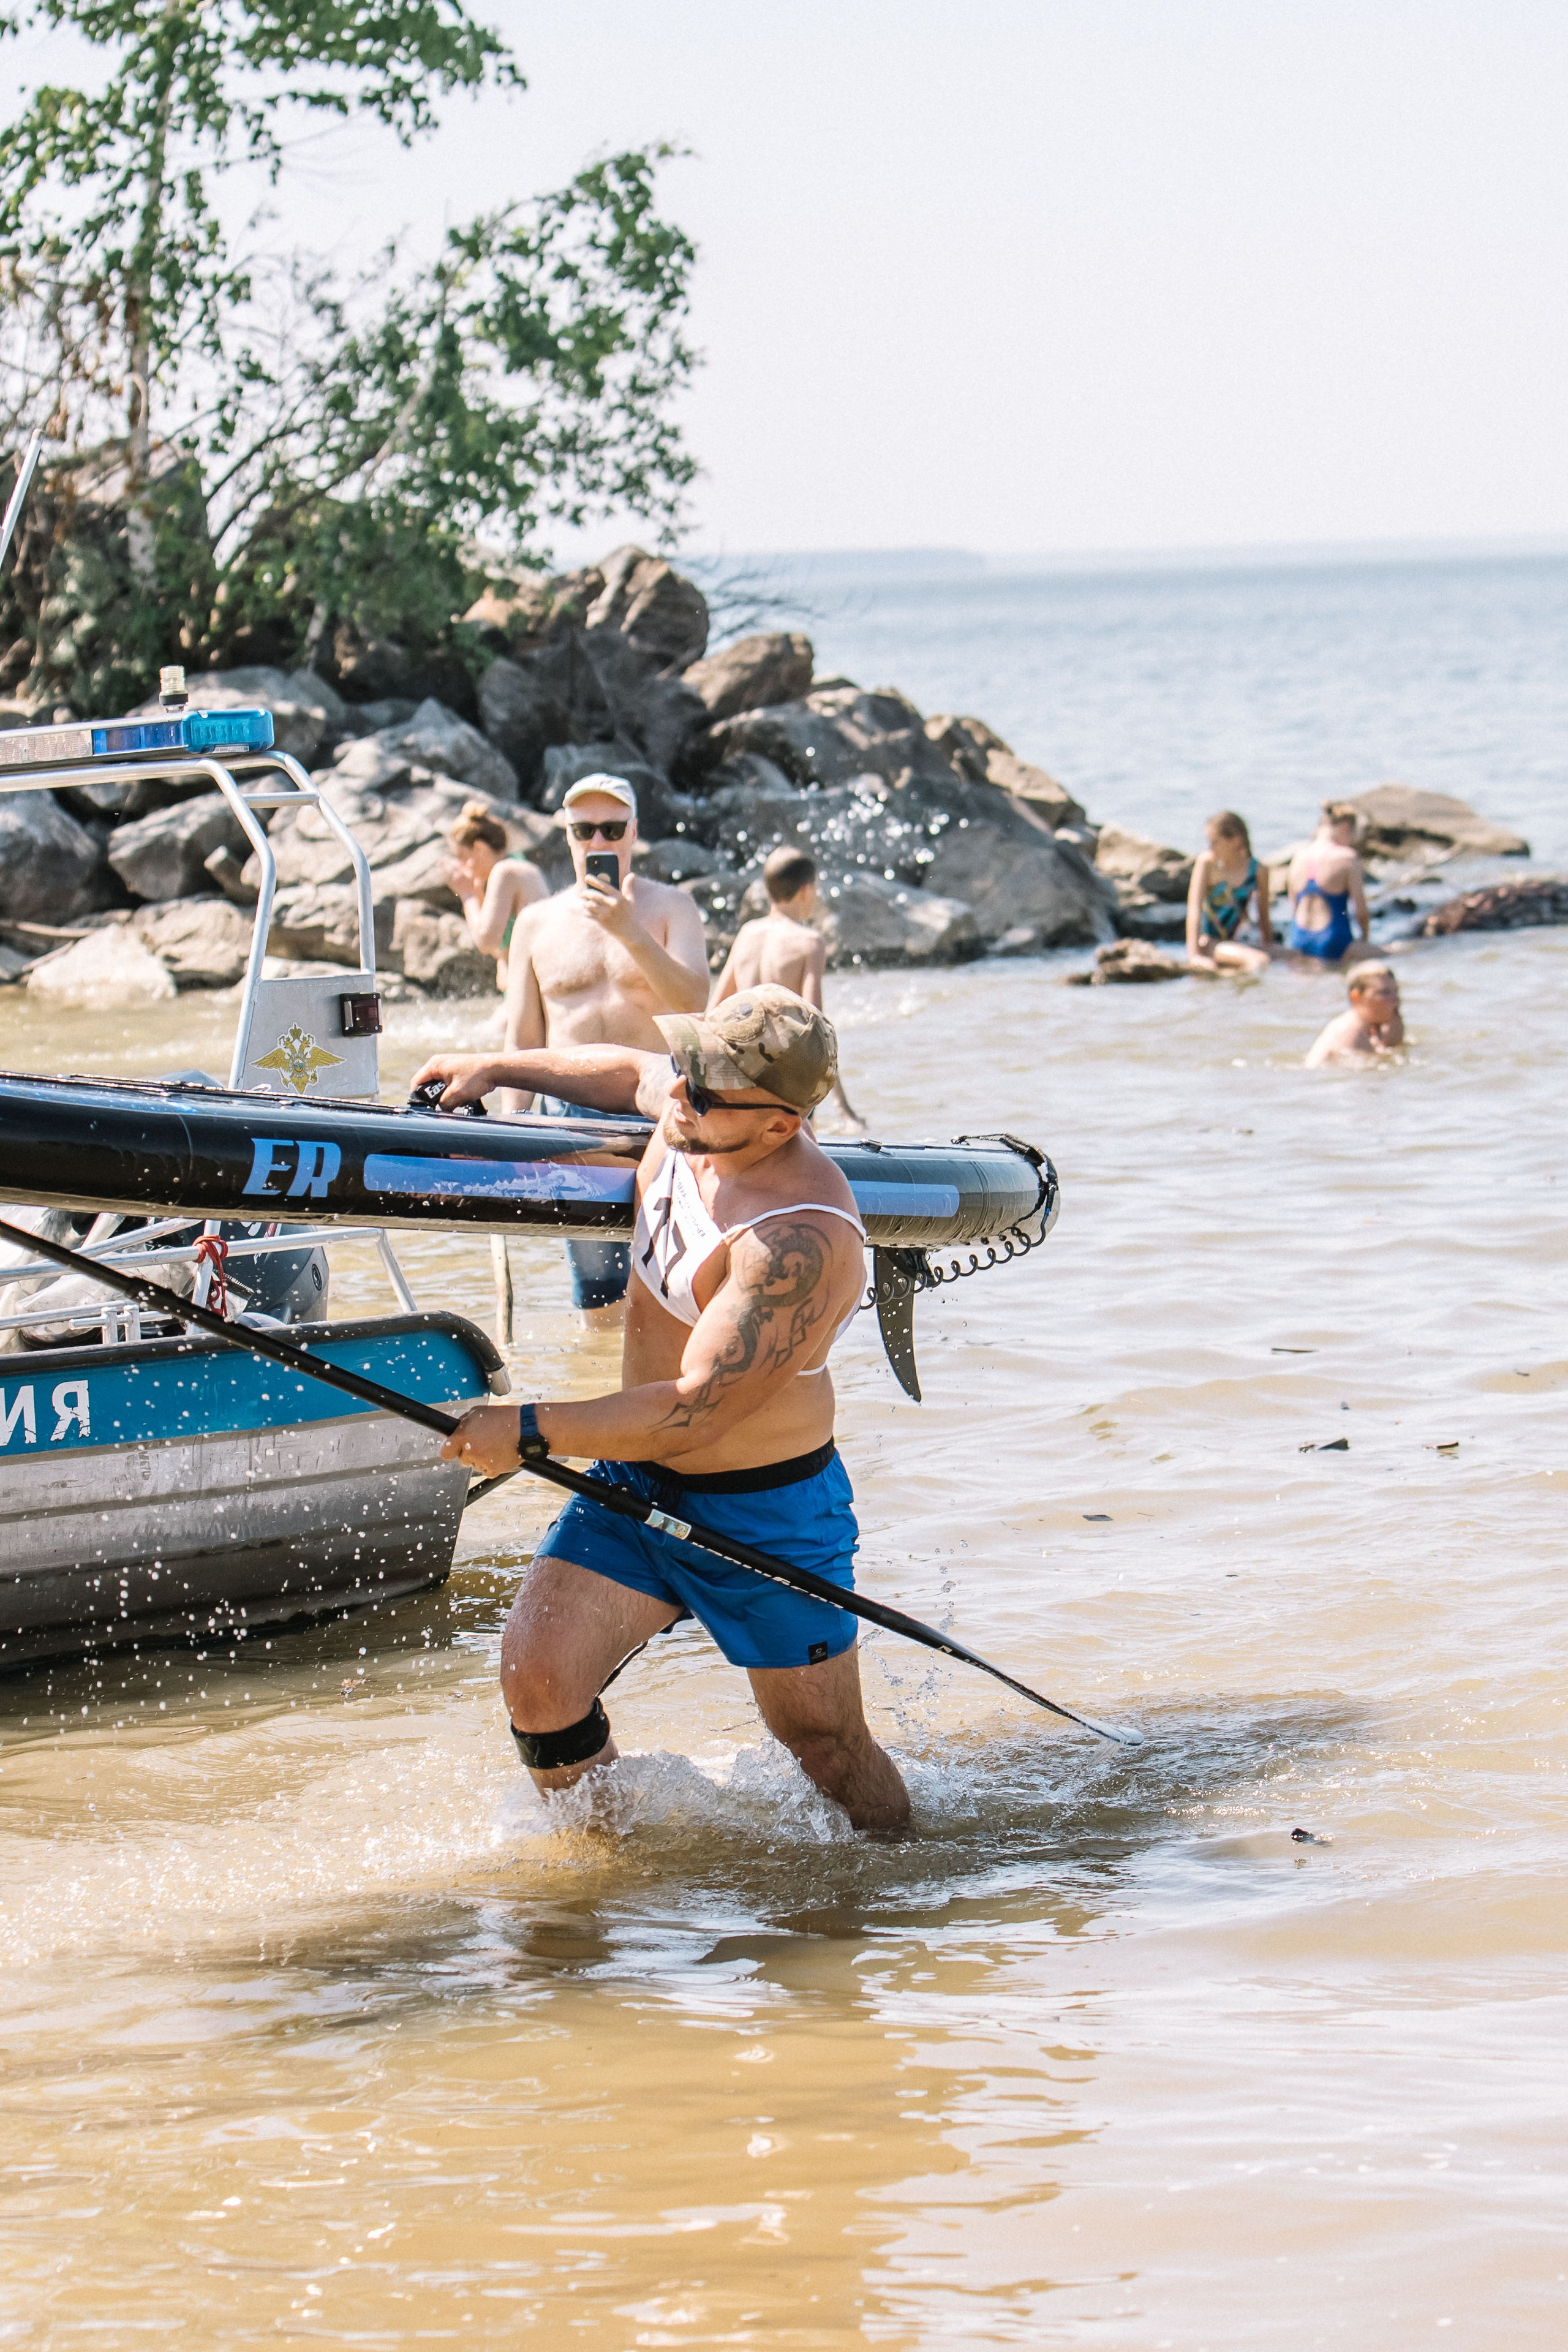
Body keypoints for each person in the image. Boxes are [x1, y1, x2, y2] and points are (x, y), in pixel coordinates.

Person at [412, 985, 910, 1834]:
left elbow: (691, 1413)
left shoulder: (800, 1242)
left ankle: (897, 1899)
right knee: (538, 1685)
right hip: (634, 1479)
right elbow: (629, 1072)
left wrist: (525, 1429)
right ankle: (622, 1867)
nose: (677, 1094)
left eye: (704, 1092)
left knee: (823, 1745)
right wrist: (495, 1063)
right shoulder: (694, 1103)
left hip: (764, 1514)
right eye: (688, 1068)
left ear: (780, 1126)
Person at [500, 774, 710, 1322]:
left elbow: (694, 1002)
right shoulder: (535, 922)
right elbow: (523, 1036)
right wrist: (505, 1132)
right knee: (600, 1295)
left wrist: (629, 931)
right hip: (570, 1117)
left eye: (612, 829)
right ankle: (602, 1387)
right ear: (567, 837)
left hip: (661, 1110)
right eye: (584, 830)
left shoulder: (672, 908)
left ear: (634, 833)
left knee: (677, 1283)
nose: (598, 843)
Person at [712, 846, 865, 1126]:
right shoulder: (809, 942)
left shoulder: (747, 933)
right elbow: (817, 1030)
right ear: (807, 890)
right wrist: (843, 1105)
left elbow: (715, 1009)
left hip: (743, 1068)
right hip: (785, 1075)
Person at [443, 801, 547, 991]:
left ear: (480, 849)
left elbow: (486, 940)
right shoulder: (518, 863)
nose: (462, 866)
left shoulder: (505, 872)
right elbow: (500, 949)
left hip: (531, 995)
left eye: (462, 857)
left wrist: (468, 895)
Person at [1185, 811, 1273, 974]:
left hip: (1240, 942)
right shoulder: (1207, 864)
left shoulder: (1258, 870)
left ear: (1235, 841)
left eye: (1214, 842)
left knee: (1297, 956)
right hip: (1211, 942)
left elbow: (1264, 918)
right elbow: (1194, 910)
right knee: (1259, 961)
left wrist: (1271, 947)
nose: (1210, 848)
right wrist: (1194, 956)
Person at [1287, 802, 1374, 964]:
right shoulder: (1347, 857)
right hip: (1334, 941)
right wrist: (1365, 940)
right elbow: (1361, 912)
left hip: (1299, 941)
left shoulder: (1298, 857)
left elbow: (1294, 908)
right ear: (1346, 827)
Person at [1305, 962, 1404, 1068]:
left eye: (1396, 991)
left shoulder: (1364, 1028)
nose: (1396, 999)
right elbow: (1362, 1078)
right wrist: (1387, 1049)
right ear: (1356, 997)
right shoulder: (1352, 1033)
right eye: (1385, 992)